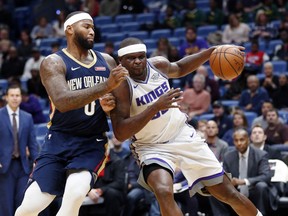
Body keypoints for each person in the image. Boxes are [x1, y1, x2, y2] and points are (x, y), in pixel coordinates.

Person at [110, 37, 263, 216]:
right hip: (151, 146)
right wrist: (156, 107)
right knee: (163, 191)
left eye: (141, 56)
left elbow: (181, 68)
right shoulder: (121, 86)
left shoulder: (158, 65)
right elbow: (120, 132)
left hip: (182, 135)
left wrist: (211, 51)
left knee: (228, 193)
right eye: (131, 58)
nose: (137, 61)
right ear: (121, 61)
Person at [15, 11, 129, 216]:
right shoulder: (53, 62)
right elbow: (62, 101)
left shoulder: (107, 61)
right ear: (69, 29)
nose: (92, 31)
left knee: (74, 195)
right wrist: (105, 86)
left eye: (93, 27)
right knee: (28, 208)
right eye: (86, 26)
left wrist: (110, 109)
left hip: (90, 142)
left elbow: (120, 111)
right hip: (57, 140)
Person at [210, 128, 273, 216]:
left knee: (261, 186)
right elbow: (224, 175)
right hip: (235, 191)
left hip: (253, 190)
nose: (239, 143)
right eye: (236, 140)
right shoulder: (228, 156)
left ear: (248, 140)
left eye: (242, 140)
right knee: (216, 190)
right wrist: (229, 181)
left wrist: (244, 181)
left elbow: (266, 176)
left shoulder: (261, 155)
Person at [0, 85, 39, 216]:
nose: (15, 98)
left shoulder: (27, 117)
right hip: (5, 166)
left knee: (22, 202)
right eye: (12, 95)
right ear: (6, 97)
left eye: (17, 95)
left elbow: (32, 143)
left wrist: (36, 162)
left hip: (23, 166)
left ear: (21, 98)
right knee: (6, 204)